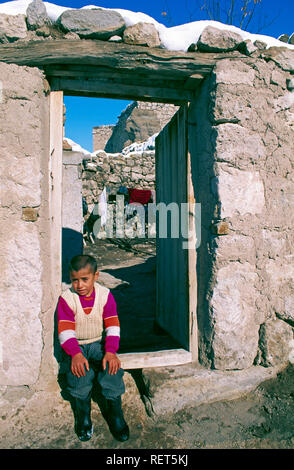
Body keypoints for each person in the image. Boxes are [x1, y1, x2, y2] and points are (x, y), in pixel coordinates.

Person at [57, 254, 129, 442]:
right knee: (79, 373)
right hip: (77, 346)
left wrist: (111, 351)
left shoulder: (105, 295)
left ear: (95, 276)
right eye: (74, 280)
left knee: (112, 369)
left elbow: (113, 325)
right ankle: (83, 415)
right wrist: (75, 354)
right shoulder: (67, 298)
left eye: (84, 279)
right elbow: (65, 330)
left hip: (99, 343)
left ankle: (115, 414)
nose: (79, 285)